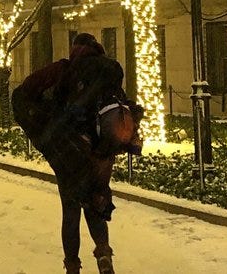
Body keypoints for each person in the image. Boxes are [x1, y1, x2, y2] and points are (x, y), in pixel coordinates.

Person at [13, 32, 140, 274]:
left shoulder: (65, 70)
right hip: (102, 152)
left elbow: (26, 90)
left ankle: (72, 267)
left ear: (75, 49)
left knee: (71, 211)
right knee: (97, 202)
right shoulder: (111, 71)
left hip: (70, 150)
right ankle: (104, 257)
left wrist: (44, 117)